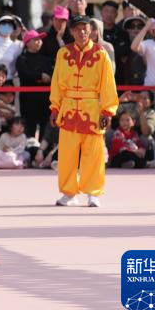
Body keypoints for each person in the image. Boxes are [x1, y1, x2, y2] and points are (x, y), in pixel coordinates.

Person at [50, 15, 119, 208]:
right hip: (69, 108)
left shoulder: (101, 53)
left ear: (92, 31)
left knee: (93, 155)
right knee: (66, 155)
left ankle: (92, 192)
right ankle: (69, 192)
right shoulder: (62, 53)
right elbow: (56, 82)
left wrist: (108, 111)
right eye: (77, 29)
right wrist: (55, 107)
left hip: (92, 109)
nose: (82, 32)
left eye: (85, 28)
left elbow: (108, 84)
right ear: (71, 31)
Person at [15, 29, 52, 141]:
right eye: (36, 39)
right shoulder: (22, 59)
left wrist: (45, 77)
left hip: (45, 99)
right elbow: (25, 74)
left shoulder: (45, 59)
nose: (39, 42)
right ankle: (29, 153)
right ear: (28, 42)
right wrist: (40, 76)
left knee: (45, 125)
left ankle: (41, 151)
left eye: (40, 40)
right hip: (28, 100)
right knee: (29, 127)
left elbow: (51, 75)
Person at [100, 1, 131, 83]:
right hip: (99, 73)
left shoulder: (122, 32)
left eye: (112, 12)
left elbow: (125, 52)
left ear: (116, 15)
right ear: (101, 13)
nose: (109, 14)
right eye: (106, 11)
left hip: (118, 77)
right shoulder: (95, 31)